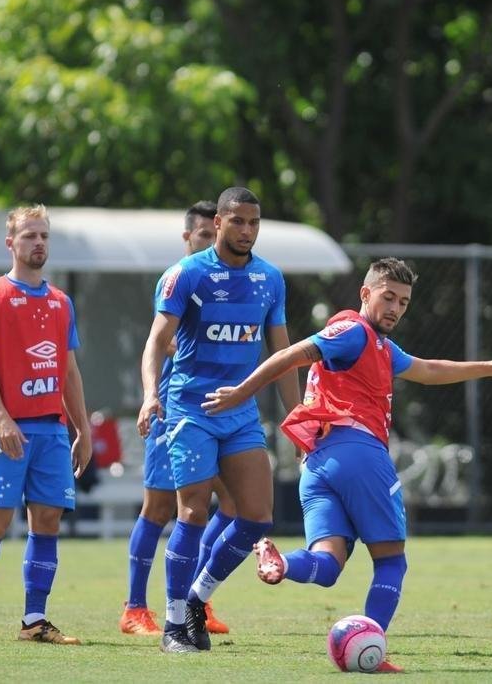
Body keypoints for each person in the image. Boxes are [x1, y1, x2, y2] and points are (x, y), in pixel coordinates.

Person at [202, 257, 492, 672]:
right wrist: (241, 392)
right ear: (365, 293)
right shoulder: (352, 330)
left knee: (328, 563)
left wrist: (490, 368)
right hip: (359, 454)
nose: (395, 308)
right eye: (388, 297)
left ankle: (281, 563)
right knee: (391, 560)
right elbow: (291, 354)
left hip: (317, 464)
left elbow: (427, 370)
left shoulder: (381, 347)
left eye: (403, 302)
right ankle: (374, 652)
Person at [138, 186, 300, 654]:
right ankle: (172, 625)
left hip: (242, 414)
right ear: (220, 223)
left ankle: (196, 597)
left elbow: (284, 356)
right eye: (238, 222)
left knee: (256, 517)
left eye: (254, 223)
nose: (247, 231)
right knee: (191, 510)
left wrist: (297, 421)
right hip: (192, 412)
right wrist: (152, 396)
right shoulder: (185, 275)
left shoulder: (270, 279)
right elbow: (154, 343)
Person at [0, 204, 93, 644]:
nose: (39, 243)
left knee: (48, 520)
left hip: (51, 429)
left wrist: (83, 429)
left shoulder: (61, 302)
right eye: (30, 236)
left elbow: (69, 371)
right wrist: (0, 416)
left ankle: (34, 621)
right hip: (5, 428)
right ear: (11, 243)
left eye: (44, 236)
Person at [121, 200, 238, 636]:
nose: (213, 241)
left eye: (217, 233)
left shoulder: (233, 281)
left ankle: (195, 599)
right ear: (188, 238)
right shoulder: (179, 280)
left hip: (223, 412)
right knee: (160, 507)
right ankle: (135, 608)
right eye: (205, 235)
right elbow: (165, 342)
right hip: (176, 408)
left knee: (233, 504)